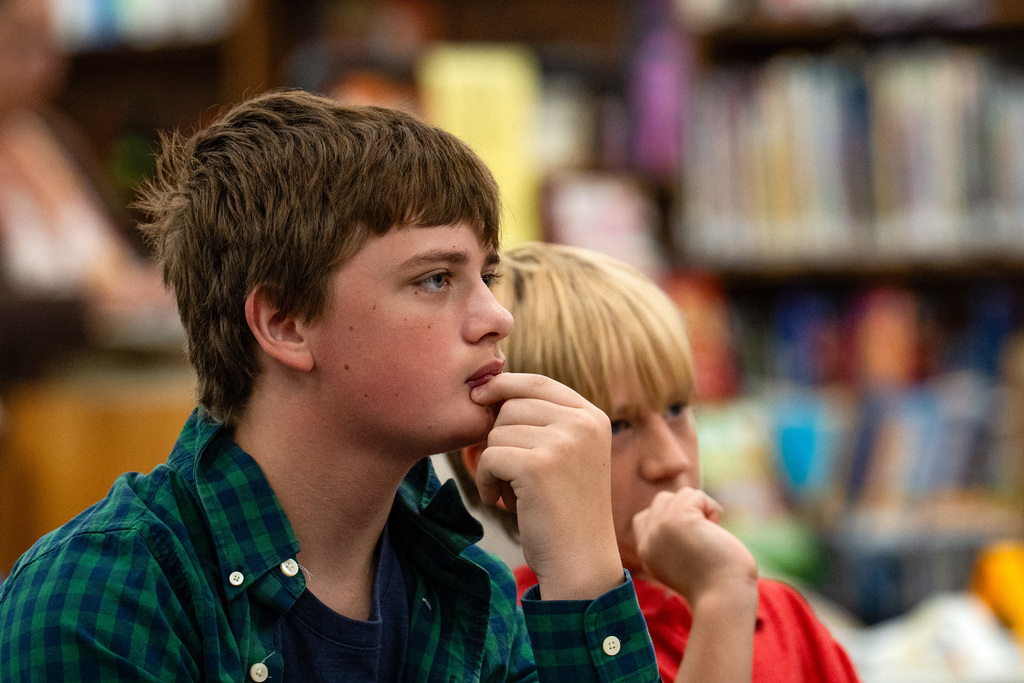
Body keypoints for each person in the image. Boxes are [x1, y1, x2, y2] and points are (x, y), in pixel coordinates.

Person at [0, 90, 662, 681]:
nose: (497, 316)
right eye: (436, 279)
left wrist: (582, 575)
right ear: (286, 323)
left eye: (486, 275)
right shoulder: (98, 599)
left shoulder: (468, 593)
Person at [449, 241, 861, 683]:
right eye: (619, 426)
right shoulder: (509, 642)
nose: (671, 459)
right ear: (505, 463)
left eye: (676, 409)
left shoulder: (782, 616)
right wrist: (721, 602)